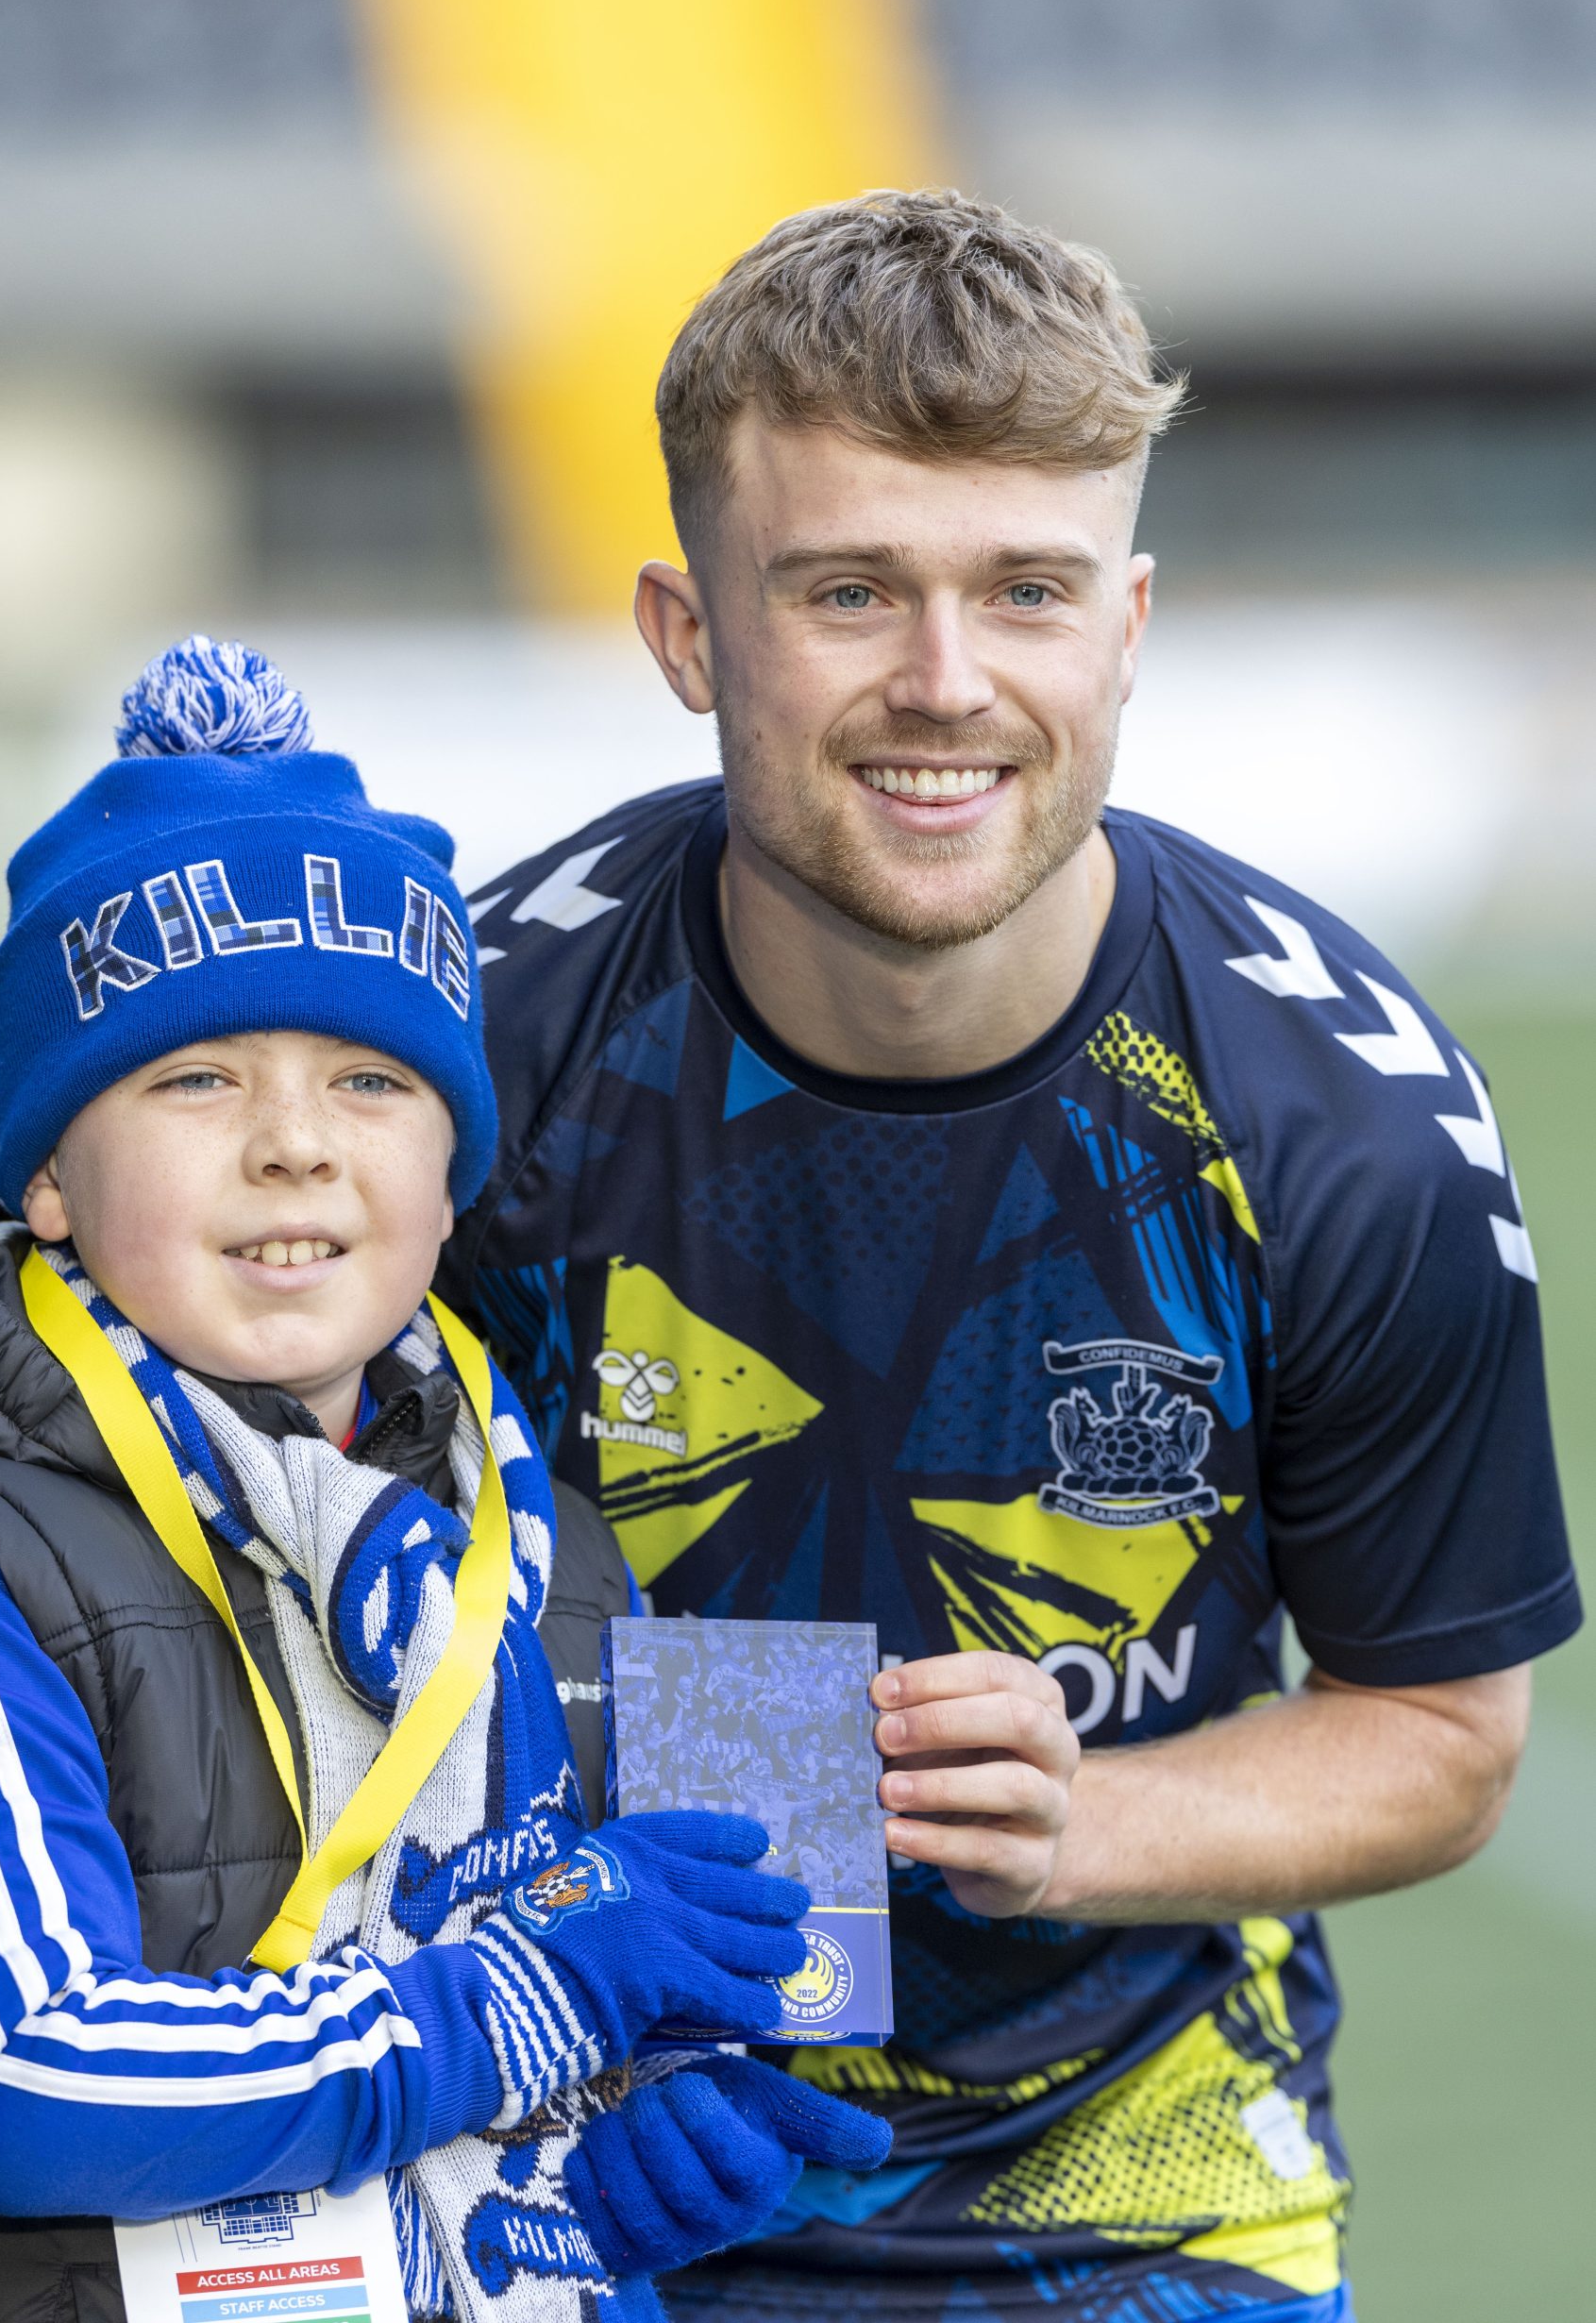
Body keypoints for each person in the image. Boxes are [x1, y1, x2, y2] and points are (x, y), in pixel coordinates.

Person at [442, 190, 1582, 2323]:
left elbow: (1439, 1727)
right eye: (848, 590)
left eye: (1025, 591)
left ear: (1124, 626)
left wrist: (1083, 1829)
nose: (945, 684)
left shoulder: (1343, 1132)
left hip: (1139, 2186)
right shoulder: (466, 1077)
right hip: (544, 2163)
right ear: (686, 632)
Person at [0, 636, 886, 2323]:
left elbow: (658, 1992)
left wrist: (618, 2157)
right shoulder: (5, 1543)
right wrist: (505, 2010)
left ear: (451, 1175)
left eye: (373, 1081)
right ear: (46, 1179)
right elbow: (23, 2082)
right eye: (195, 1078)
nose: (294, 1142)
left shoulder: (556, 1537)